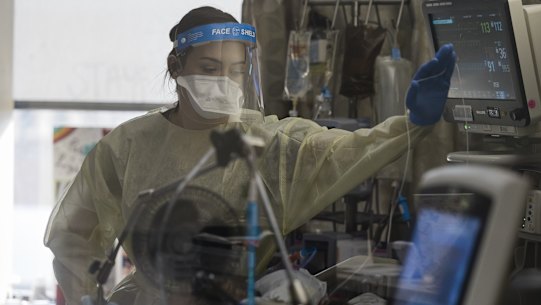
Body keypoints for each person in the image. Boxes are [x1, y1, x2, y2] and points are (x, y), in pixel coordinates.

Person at [44, 6, 456, 305]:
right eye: (208, 68)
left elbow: (339, 151)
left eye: (235, 70)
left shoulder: (262, 142)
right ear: (176, 66)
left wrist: (410, 124)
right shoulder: (127, 146)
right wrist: (87, 298)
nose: (224, 82)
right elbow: (72, 233)